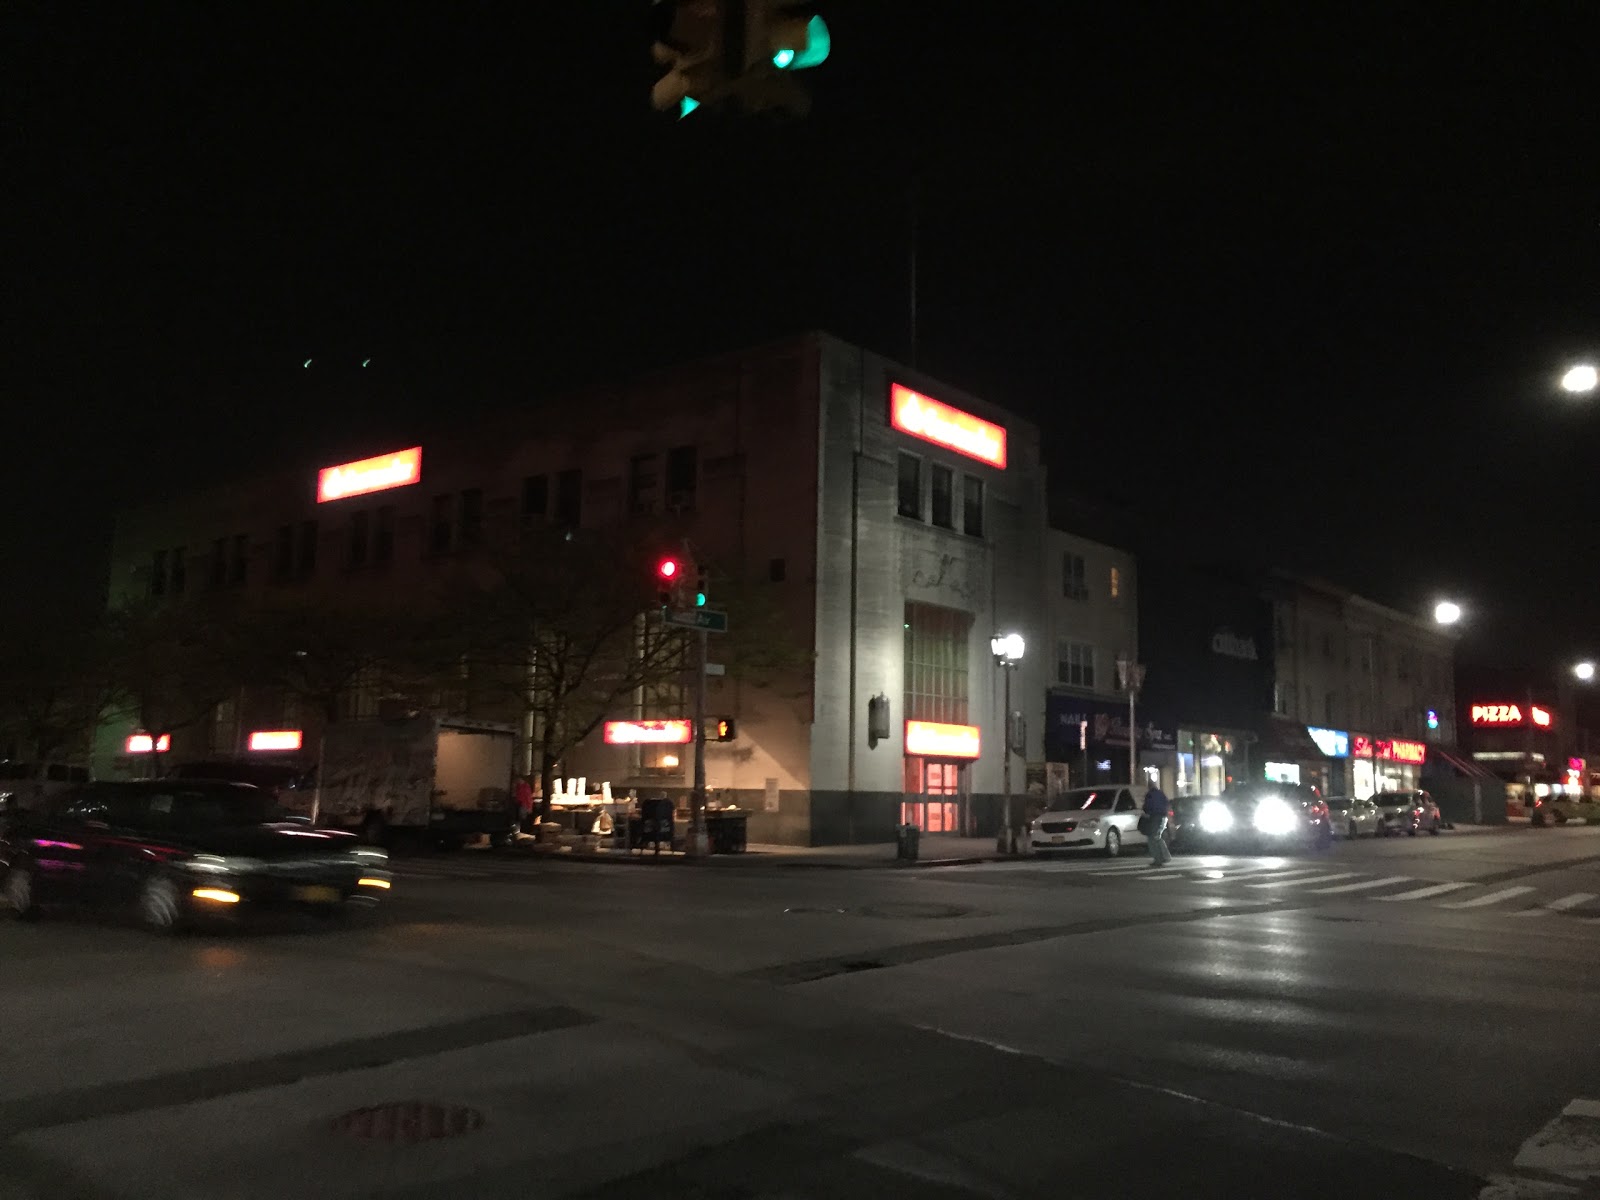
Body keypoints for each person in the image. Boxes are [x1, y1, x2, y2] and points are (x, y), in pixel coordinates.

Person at [1142, 784, 1172, 867]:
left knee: (1152, 838)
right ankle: (1164, 856)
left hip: (1154, 817)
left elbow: (1147, 806)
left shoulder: (1150, 795)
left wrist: (1146, 812)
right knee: (1157, 837)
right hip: (1163, 817)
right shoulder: (1161, 793)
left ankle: (1158, 859)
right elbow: (1167, 803)